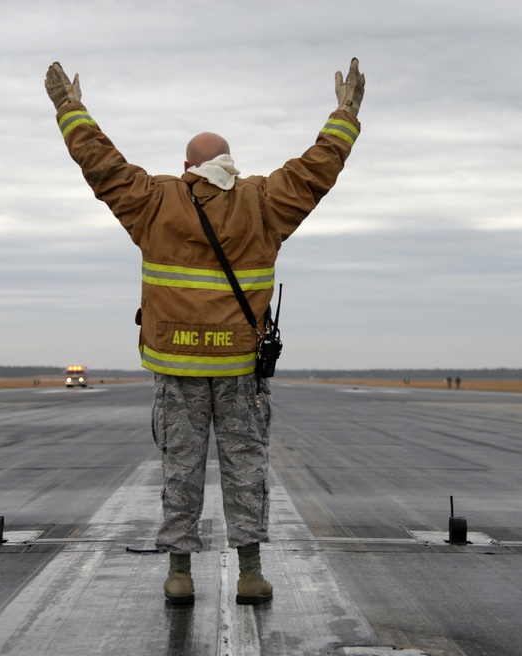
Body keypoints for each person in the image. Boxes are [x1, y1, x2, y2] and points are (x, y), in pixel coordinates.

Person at [44, 58, 364, 605]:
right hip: (240, 368)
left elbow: (102, 166)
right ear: (231, 164)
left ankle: (180, 574)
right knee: (246, 469)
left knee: (180, 470)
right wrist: (345, 115)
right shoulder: (264, 202)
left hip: (177, 367)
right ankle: (250, 573)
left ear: (187, 165)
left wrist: (69, 108)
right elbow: (317, 170)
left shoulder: (154, 200)